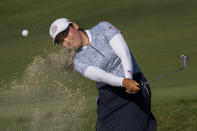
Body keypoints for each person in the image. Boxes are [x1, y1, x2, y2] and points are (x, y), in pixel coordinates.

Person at [49, 18, 157, 131]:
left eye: (65, 34)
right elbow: (100, 75)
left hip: (134, 86)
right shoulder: (77, 61)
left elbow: (123, 52)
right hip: (108, 97)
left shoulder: (102, 28)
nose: (66, 41)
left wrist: (128, 78)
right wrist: (124, 82)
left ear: (74, 26)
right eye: (61, 41)